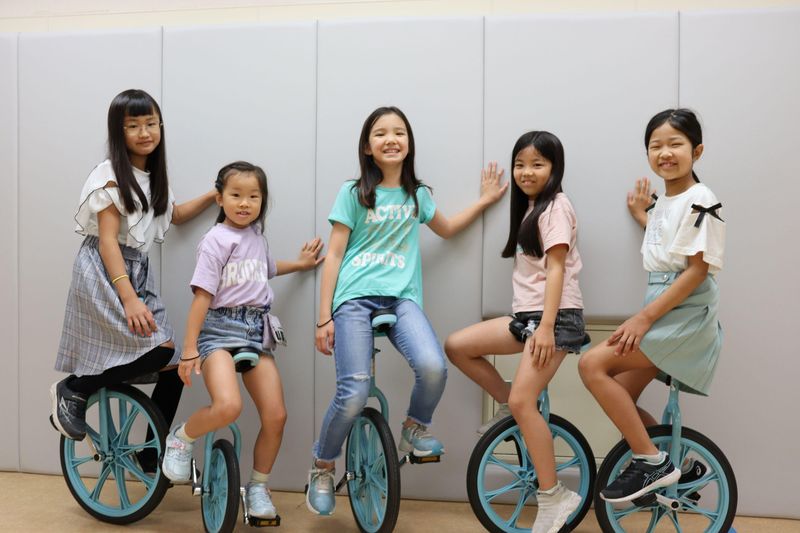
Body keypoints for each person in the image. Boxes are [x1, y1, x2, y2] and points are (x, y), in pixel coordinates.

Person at [306, 106, 508, 516]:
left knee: (433, 367)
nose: (391, 139)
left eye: (399, 132)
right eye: (381, 133)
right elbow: (335, 255)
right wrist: (323, 316)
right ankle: (323, 467)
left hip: (401, 299)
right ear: (367, 146)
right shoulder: (353, 193)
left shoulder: (418, 195)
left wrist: (486, 200)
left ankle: (414, 429)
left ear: (409, 143)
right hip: (354, 299)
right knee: (353, 391)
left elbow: (447, 229)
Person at [51, 90, 216, 477]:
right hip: (106, 270)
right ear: (118, 132)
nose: (145, 132)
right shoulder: (110, 175)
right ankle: (75, 388)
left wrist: (215, 194)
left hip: (136, 267)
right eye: (133, 126)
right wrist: (128, 298)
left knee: (173, 365)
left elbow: (174, 215)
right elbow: (108, 241)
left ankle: (150, 452)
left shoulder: (154, 179)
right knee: (161, 350)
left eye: (151, 124)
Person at [161, 161, 323, 520]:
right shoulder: (215, 240)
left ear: (262, 201)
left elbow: (265, 269)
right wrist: (189, 350)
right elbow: (202, 297)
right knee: (228, 406)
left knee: (276, 415)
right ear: (220, 198)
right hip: (219, 331)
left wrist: (300, 264)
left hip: (255, 331)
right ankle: (181, 438)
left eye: (254, 196)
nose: (245, 203)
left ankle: (258, 487)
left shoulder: (257, 237)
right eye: (236, 195)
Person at [578, 108, 725, 503]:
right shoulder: (666, 203)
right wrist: (643, 215)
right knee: (620, 395)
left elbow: (696, 271)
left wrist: (642, 320)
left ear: (697, 151)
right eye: (656, 145)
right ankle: (675, 468)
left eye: (675, 144)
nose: (665, 152)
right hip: (664, 310)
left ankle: (651, 462)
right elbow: (670, 246)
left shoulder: (702, 199)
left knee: (591, 365)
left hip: (684, 315)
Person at [445, 131, 586, 533]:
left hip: (555, 318)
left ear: (555, 168)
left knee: (526, 403)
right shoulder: (531, 207)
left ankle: (554, 495)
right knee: (457, 346)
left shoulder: (556, 207)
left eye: (537, 164)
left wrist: (546, 328)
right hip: (527, 317)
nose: (527, 172)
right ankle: (510, 402)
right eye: (520, 164)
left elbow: (556, 269)